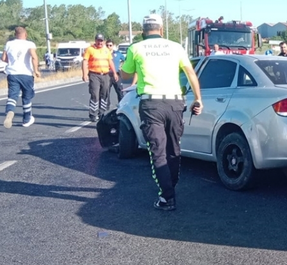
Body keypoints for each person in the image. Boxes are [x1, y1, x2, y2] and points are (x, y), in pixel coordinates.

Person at [120, 14, 203, 211]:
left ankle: (167, 196)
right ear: (162, 30)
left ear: (142, 31)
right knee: (173, 149)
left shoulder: (136, 48)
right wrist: (198, 98)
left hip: (151, 104)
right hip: (175, 102)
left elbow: (125, 76)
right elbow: (191, 73)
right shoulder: (175, 47)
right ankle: (170, 187)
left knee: (158, 150)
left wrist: (126, 66)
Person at [1, 27, 40, 128]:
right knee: (27, 97)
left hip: (12, 74)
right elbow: (34, 57)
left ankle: (10, 111)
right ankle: (26, 120)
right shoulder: (29, 44)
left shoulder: (9, 44)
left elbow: (4, 58)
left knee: (12, 95)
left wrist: (12, 62)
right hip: (26, 74)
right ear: (25, 34)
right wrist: (36, 70)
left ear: (15, 34)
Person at [82, 33, 118, 122]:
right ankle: (93, 114)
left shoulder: (106, 50)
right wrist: (85, 74)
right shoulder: (90, 49)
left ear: (103, 41)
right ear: (95, 40)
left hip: (105, 75)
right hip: (94, 75)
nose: (100, 42)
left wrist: (114, 73)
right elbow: (85, 61)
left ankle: (102, 113)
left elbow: (110, 62)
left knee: (105, 94)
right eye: (98, 40)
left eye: (101, 41)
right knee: (95, 94)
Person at [106, 39, 125, 107]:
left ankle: (121, 105)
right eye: (107, 45)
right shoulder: (103, 54)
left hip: (116, 74)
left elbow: (125, 60)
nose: (109, 46)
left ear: (113, 46)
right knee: (106, 91)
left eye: (110, 45)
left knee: (120, 90)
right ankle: (106, 105)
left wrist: (122, 67)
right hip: (107, 74)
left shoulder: (117, 53)